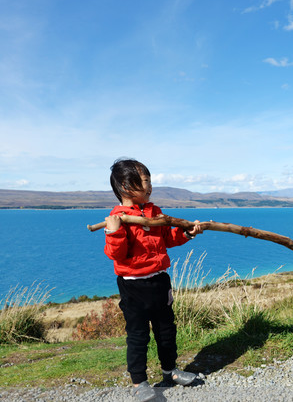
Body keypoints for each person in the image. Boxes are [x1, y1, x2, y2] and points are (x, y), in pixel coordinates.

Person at [102, 158, 202, 402]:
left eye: (149, 181)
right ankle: (139, 382)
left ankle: (171, 371)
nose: (150, 187)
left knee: (167, 330)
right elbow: (115, 254)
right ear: (126, 186)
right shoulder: (117, 218)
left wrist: (187, 233)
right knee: (138, 335)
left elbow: (168, 237)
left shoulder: (154, 212)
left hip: (160, 281)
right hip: (133, 285)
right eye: (145, 182)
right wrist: (114, 232)